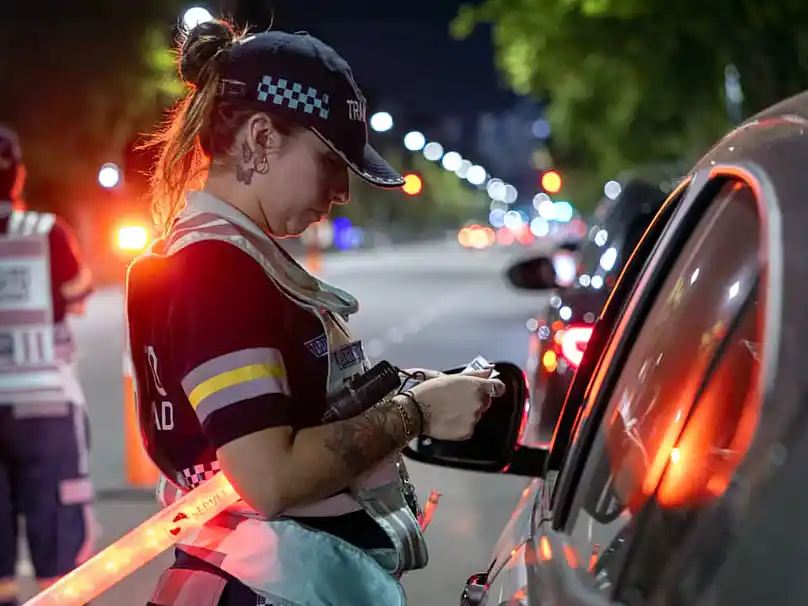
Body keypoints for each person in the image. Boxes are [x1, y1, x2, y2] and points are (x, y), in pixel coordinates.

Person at [125, 19, 505, 606]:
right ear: (260, 138)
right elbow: (269, 478)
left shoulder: (239, 258)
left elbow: (294, 418)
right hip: (262, 588)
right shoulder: (214, 270)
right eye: (330, 161)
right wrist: (415, 413)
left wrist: (408, 395)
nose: (343, 191)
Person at [0, 126, 95, 606]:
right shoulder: (47, 232)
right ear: (18, 175)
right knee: (54, 524)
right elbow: (77, 293)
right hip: (44, 405)